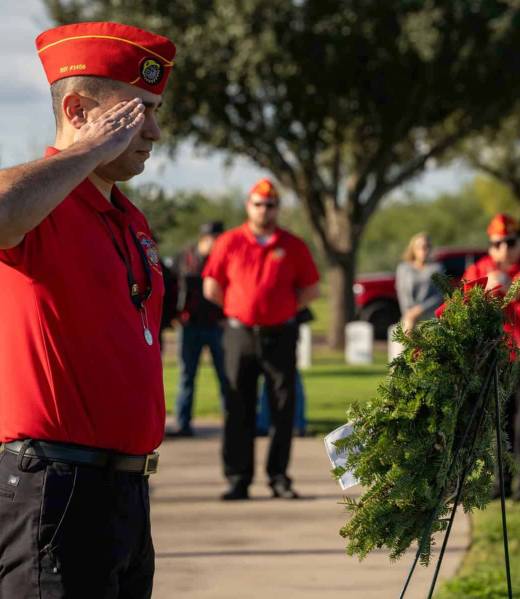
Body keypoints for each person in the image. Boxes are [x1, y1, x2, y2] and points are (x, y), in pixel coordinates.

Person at [0, 22, 176, 598]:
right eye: (136, 112)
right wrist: (86, 152)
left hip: (125, 493)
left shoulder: (129, 217)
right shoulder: (41, 204)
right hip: (53, 489)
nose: (154, 130)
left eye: (156, 111)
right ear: (78, 110)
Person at [202, 178, 320, 500]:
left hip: (280, 334)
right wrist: (240, 307)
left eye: (270, 205)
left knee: (283, 407)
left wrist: (282, 308)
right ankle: (238, 478)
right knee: (238, 405)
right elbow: (211, 287)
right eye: (258, 204)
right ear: (248, 206)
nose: (264, 210)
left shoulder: (293, 244)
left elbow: (312, 288)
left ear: (277, 208)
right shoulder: (229, 242)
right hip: (239, 334)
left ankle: (278, 476)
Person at [462, 213, 520, 499]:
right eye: (499, 243)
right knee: (500, 423)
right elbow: (460, 307)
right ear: (490, 245)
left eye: (511, 242)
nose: (505, 249)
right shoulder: (479, 270)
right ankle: (502, 484)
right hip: (496, 358)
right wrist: (484, 292)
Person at [170, 221, 228, 437]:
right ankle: (183, 424)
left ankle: (231, 424)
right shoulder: (184, 258)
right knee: (187, 376)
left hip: (217, 326)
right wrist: (175, 315)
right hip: (190, 326)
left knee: (225, 377)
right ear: (206, 238)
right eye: (217, 239)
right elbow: (170, 287)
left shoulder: (223, 259)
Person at [395, 232, 443, 332]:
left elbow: (439, 296)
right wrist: (409, 313)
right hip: (409, 318)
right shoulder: (403, 268)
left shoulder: (437, 268)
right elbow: (402, 293)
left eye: (426, 247)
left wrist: (420, 310)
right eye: (419, 247)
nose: (423, 250)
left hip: (430, 318)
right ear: (413, 249)